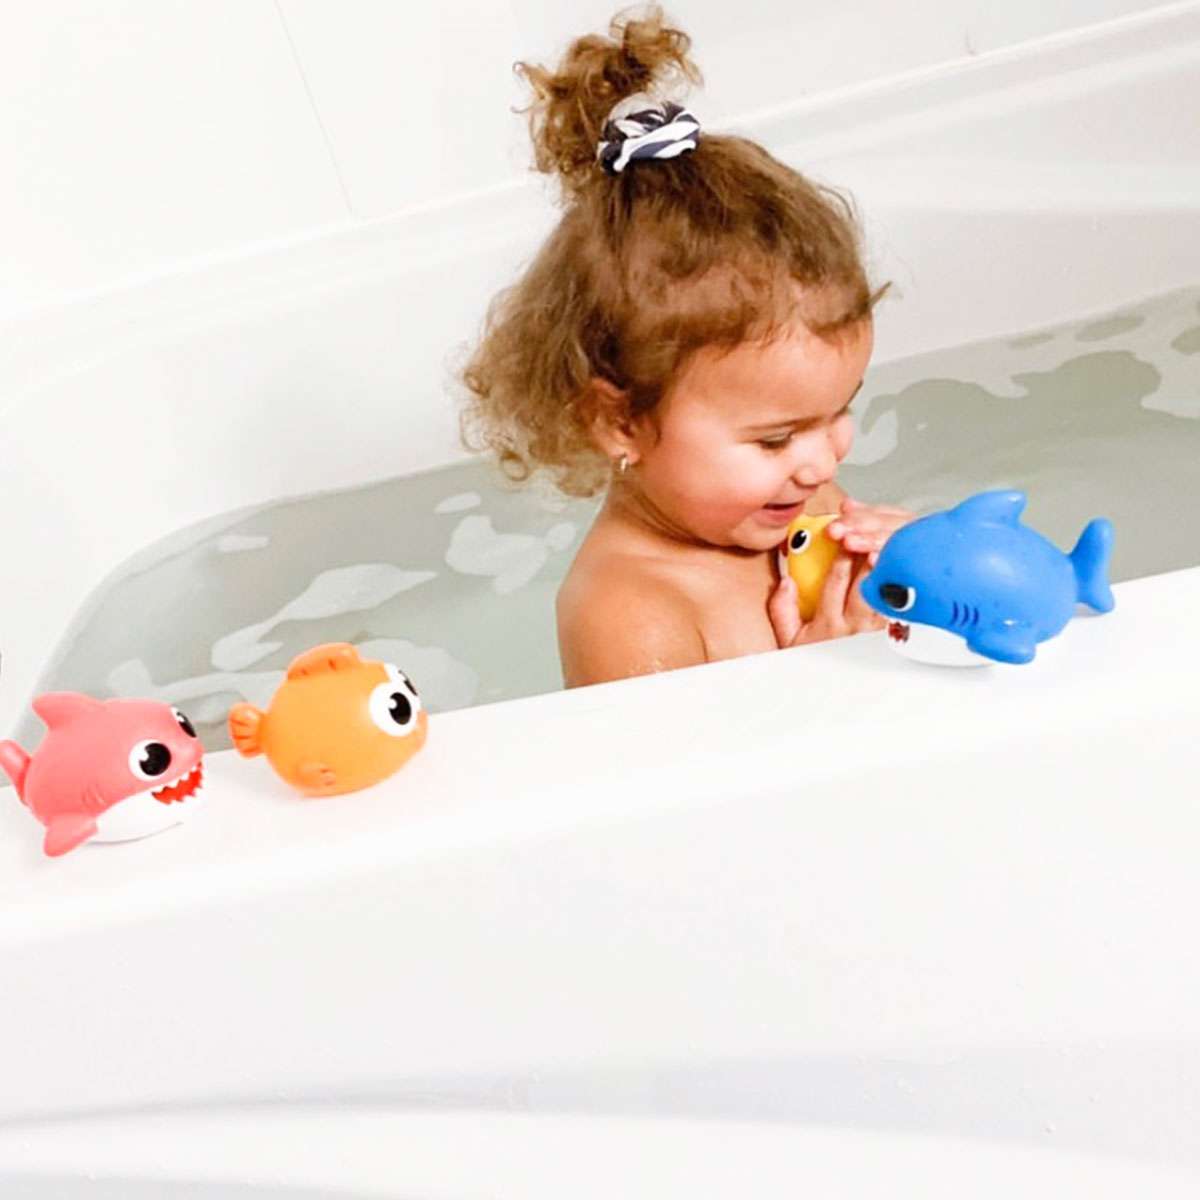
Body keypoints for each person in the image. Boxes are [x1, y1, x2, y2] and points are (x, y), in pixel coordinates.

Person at [462, 6, 912, 687]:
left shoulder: (798, 499)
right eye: (775, 439)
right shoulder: (629, 614)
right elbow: (683, 766)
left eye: (839, 411)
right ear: (621, 421)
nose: (825, 460)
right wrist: (829, 676)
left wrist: (917, 575)